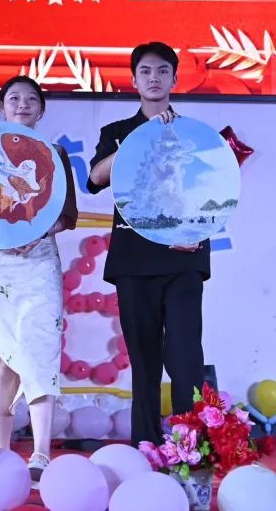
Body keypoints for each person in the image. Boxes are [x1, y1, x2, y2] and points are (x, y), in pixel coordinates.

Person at [86, 41, 209, 446]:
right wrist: (141, 138)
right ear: (134, 80)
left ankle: (191, 446)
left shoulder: (194, 134)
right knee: (144, 360)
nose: (153, 78)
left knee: (186, 355)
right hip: (135, 259)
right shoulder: (118, 133)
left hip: (183, 256)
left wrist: (196, 233)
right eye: (145, 71)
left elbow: (212, 190)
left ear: (175, 79)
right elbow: (97, 178)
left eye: (162, 71)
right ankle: (146, 445)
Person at [0, 75, 77, 481]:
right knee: (0, 358)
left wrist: (38, 232)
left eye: (31, 99)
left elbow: (67, 213)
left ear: (41, 109)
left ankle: (41, 453)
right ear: (2, 107)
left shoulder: (55, 154)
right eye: (13, 98)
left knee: (39, 351)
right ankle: (1, 454)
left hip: (38, 262)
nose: (22, 104)